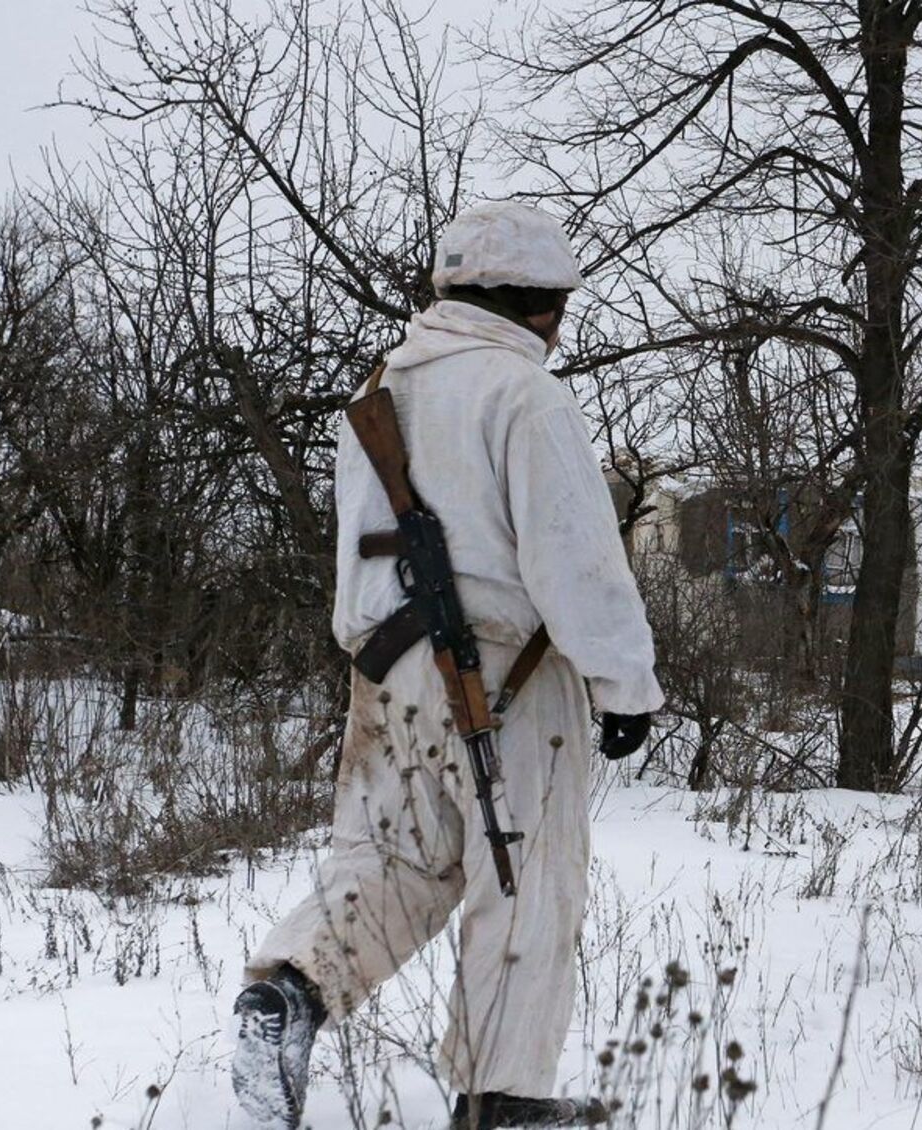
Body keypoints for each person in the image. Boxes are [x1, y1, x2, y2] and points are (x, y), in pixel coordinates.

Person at [231, 203, 664, 1128]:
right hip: (503, 675)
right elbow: (578, 560)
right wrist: (626, 685)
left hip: (385, 671)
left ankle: (285, 999)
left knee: (394, 861)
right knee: (525, 877)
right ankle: (502, 1101)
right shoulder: (525, 394)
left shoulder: (382, 390)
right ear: (537, 301)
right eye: (557, 302)